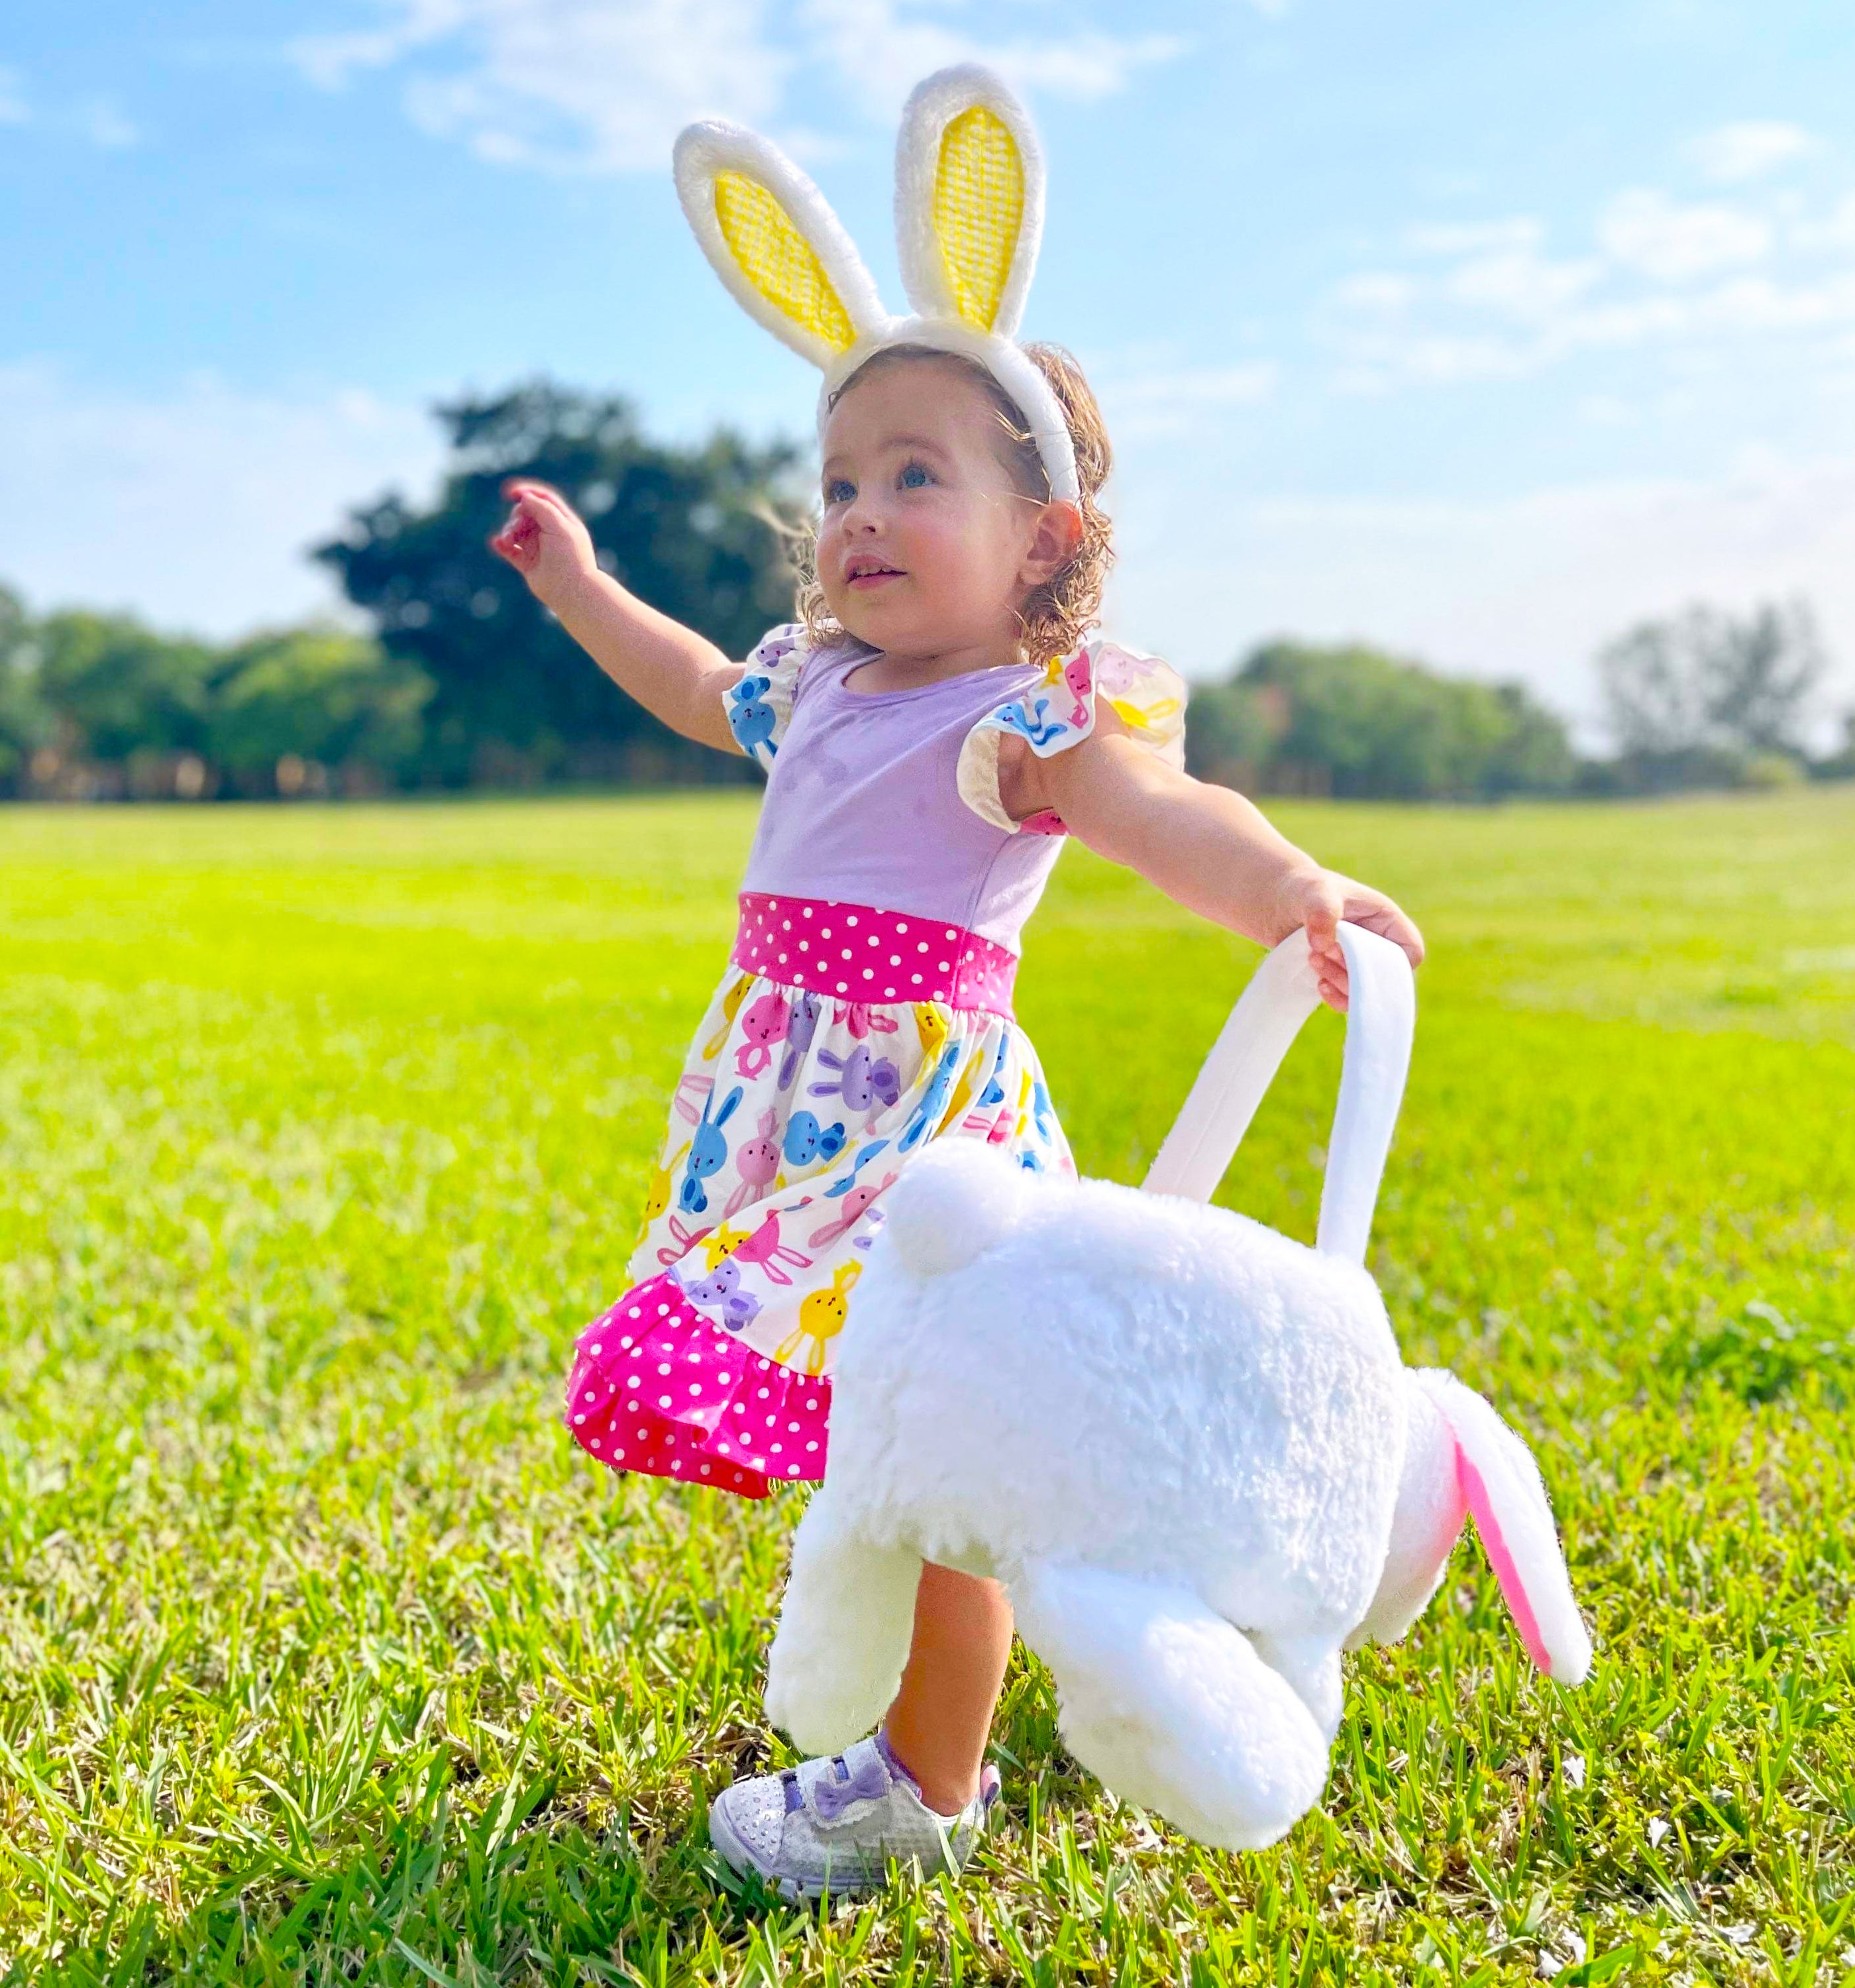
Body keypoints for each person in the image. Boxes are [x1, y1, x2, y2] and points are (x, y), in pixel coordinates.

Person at [489, 67, 1422, 1904]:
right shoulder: (817, 683)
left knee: (942, 1461)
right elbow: (692, 685)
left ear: (1047, 542)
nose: (859, 514)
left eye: (916, 475)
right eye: (841, 480)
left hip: (925, 1150)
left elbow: (1168, 815)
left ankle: (924, 1779)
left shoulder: (1023, 720)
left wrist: (1292, 890)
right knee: (903, 1450)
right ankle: (1063, 1654)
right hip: (784, 1114)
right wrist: (579, 585)